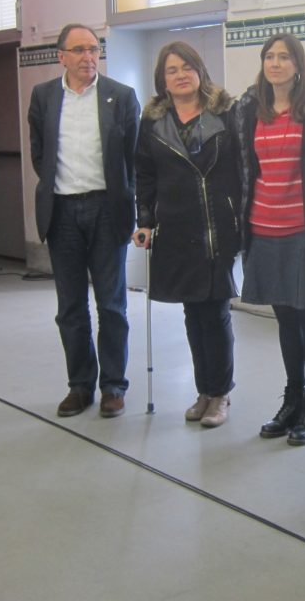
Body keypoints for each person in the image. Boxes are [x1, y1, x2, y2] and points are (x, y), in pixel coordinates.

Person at [235, 33, 305, 446]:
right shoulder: (248, 109)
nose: (275, 63)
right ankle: (292, 397)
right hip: (263, 228)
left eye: (284, 57)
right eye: (269, 56)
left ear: (299, 65)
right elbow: (244, 168)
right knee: (284, 318)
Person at [28, 23, 140, 419]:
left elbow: (132, 159)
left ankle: (113, 386)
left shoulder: (120, 96)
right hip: (62, 212)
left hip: (107, 210)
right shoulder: (43, 96)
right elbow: (39, 154)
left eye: (93, 49)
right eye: (78, 50)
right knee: (70, 307)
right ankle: (79, 386)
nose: (88, 57)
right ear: (61, 56)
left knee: (111, 305)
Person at [132, 42, 241, 428]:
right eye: (171, 70)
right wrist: (145, 220)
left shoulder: (226, 113)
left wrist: (241, 216)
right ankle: (204, 391)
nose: (180, 75)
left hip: (216, 227)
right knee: (192, 311)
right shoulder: (152, 123)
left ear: (200, 71)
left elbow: (242, 169)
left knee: (216, 310)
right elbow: (145, 175)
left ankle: (221, 393)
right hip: (177, 228)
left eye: (187, 67)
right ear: (162, 80)